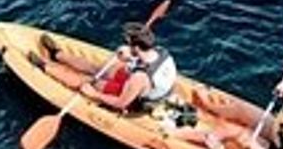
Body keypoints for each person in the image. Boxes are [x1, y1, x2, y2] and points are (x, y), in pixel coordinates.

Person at [30, 21, 177, 115]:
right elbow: (143, 61)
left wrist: (94, 94)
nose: (126, 43)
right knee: (101, 69)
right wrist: (129, 57)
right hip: (144, 85)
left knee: (89, 82)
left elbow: (121, 103)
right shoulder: (160, 51)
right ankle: (57, 54)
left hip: (138, 100)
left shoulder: (140, 78)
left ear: (137, 47)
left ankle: (45, 67)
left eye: (128, 42)